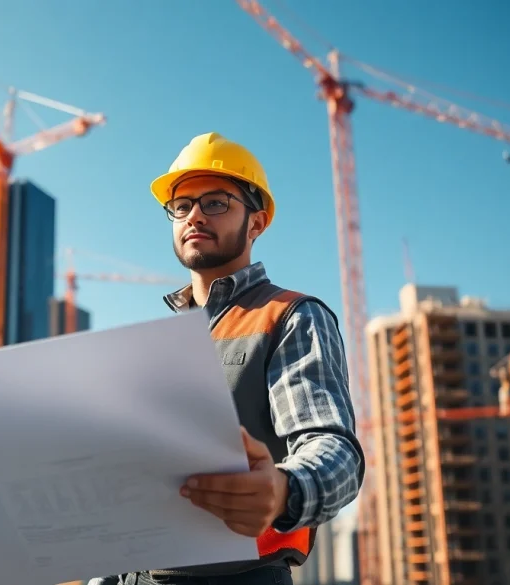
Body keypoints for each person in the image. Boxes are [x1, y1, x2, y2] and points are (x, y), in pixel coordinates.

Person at [104, 133, 365, 585]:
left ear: (256, 222)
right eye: (181, 206)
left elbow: (334, 450)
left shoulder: (291, 316)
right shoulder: (158, 344)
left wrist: (283, 490)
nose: (194, 215)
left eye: (215, 202)